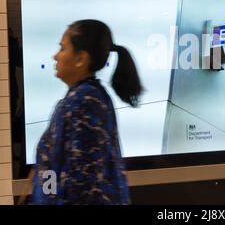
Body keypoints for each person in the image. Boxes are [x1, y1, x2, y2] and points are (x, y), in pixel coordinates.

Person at [29, 19, 143, 205]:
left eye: (62, 48)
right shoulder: (83, 98)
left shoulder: (85, 102)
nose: (55, 56)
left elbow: (82, 184)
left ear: (81, 59)